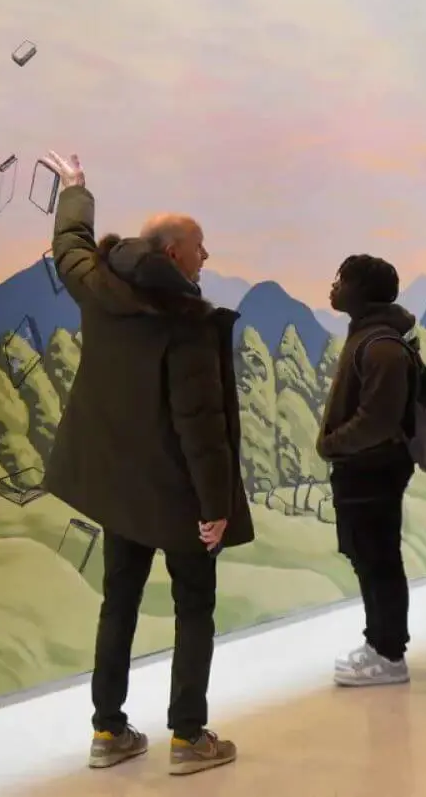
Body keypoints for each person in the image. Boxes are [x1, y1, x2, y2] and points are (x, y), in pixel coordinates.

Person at [42, 150, 250, 777]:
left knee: (119, 603)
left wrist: (75, 189)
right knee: (194, 609)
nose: (206, 257)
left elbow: (69, 248)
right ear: (171, 256)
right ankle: (188, 739)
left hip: (122, 494)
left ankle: (108, 730)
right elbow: (202, 429)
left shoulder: (102, 288)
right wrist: (215, 509)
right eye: (199, 247)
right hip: (180, 498)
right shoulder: (186, 322)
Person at [318, 254, 418, 688]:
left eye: (341, 279)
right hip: (363, 468)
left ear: (361, 290)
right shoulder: (369, 337)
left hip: (372, 468)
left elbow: (378, 419)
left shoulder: (380, 345)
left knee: (378, 558)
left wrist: (331, 444)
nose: (333, 287)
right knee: (368, 557)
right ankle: (378, 643)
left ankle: (389, 651)